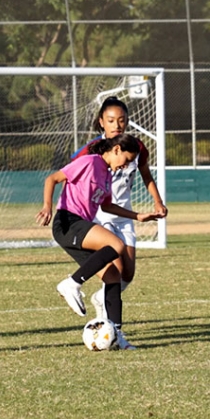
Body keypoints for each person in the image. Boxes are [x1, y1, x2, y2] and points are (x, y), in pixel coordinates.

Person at [36, 133, 164, 350]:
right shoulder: (89, 162)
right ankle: (72, 283)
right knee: (117, 245)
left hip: (80, 224)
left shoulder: (106, 174)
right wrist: (48, 206)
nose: (125, 166)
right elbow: (53, 179)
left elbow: (106, 206)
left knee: (113, 276)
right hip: (67, 222)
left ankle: (116, 336)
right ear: (116, 150)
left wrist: (138, 216)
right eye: (125, 160)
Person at [71, 97, 168, 319]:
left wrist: (158, 201)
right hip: (98, 217)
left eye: (122, 120)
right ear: (101, 122)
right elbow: (69, 174)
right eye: (111, 120)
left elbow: (146, 176)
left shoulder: (137, 147)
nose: (117, 125)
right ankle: (107, 320)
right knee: (114, 271)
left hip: (123, 216)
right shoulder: (92, 150)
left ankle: (100, 298)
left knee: (128, 274)